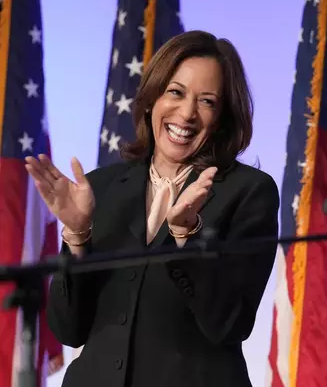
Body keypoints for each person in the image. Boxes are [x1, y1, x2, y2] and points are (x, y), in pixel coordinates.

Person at [24, 30, 279, 387]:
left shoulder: (249, 192)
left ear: (222, 117)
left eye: (207, 101)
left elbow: (230, 325)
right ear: (152, 99)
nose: (187, 113)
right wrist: (78, 234)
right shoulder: (101, 187)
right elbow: (68, 328)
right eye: (175, 92)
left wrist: (185, 237)